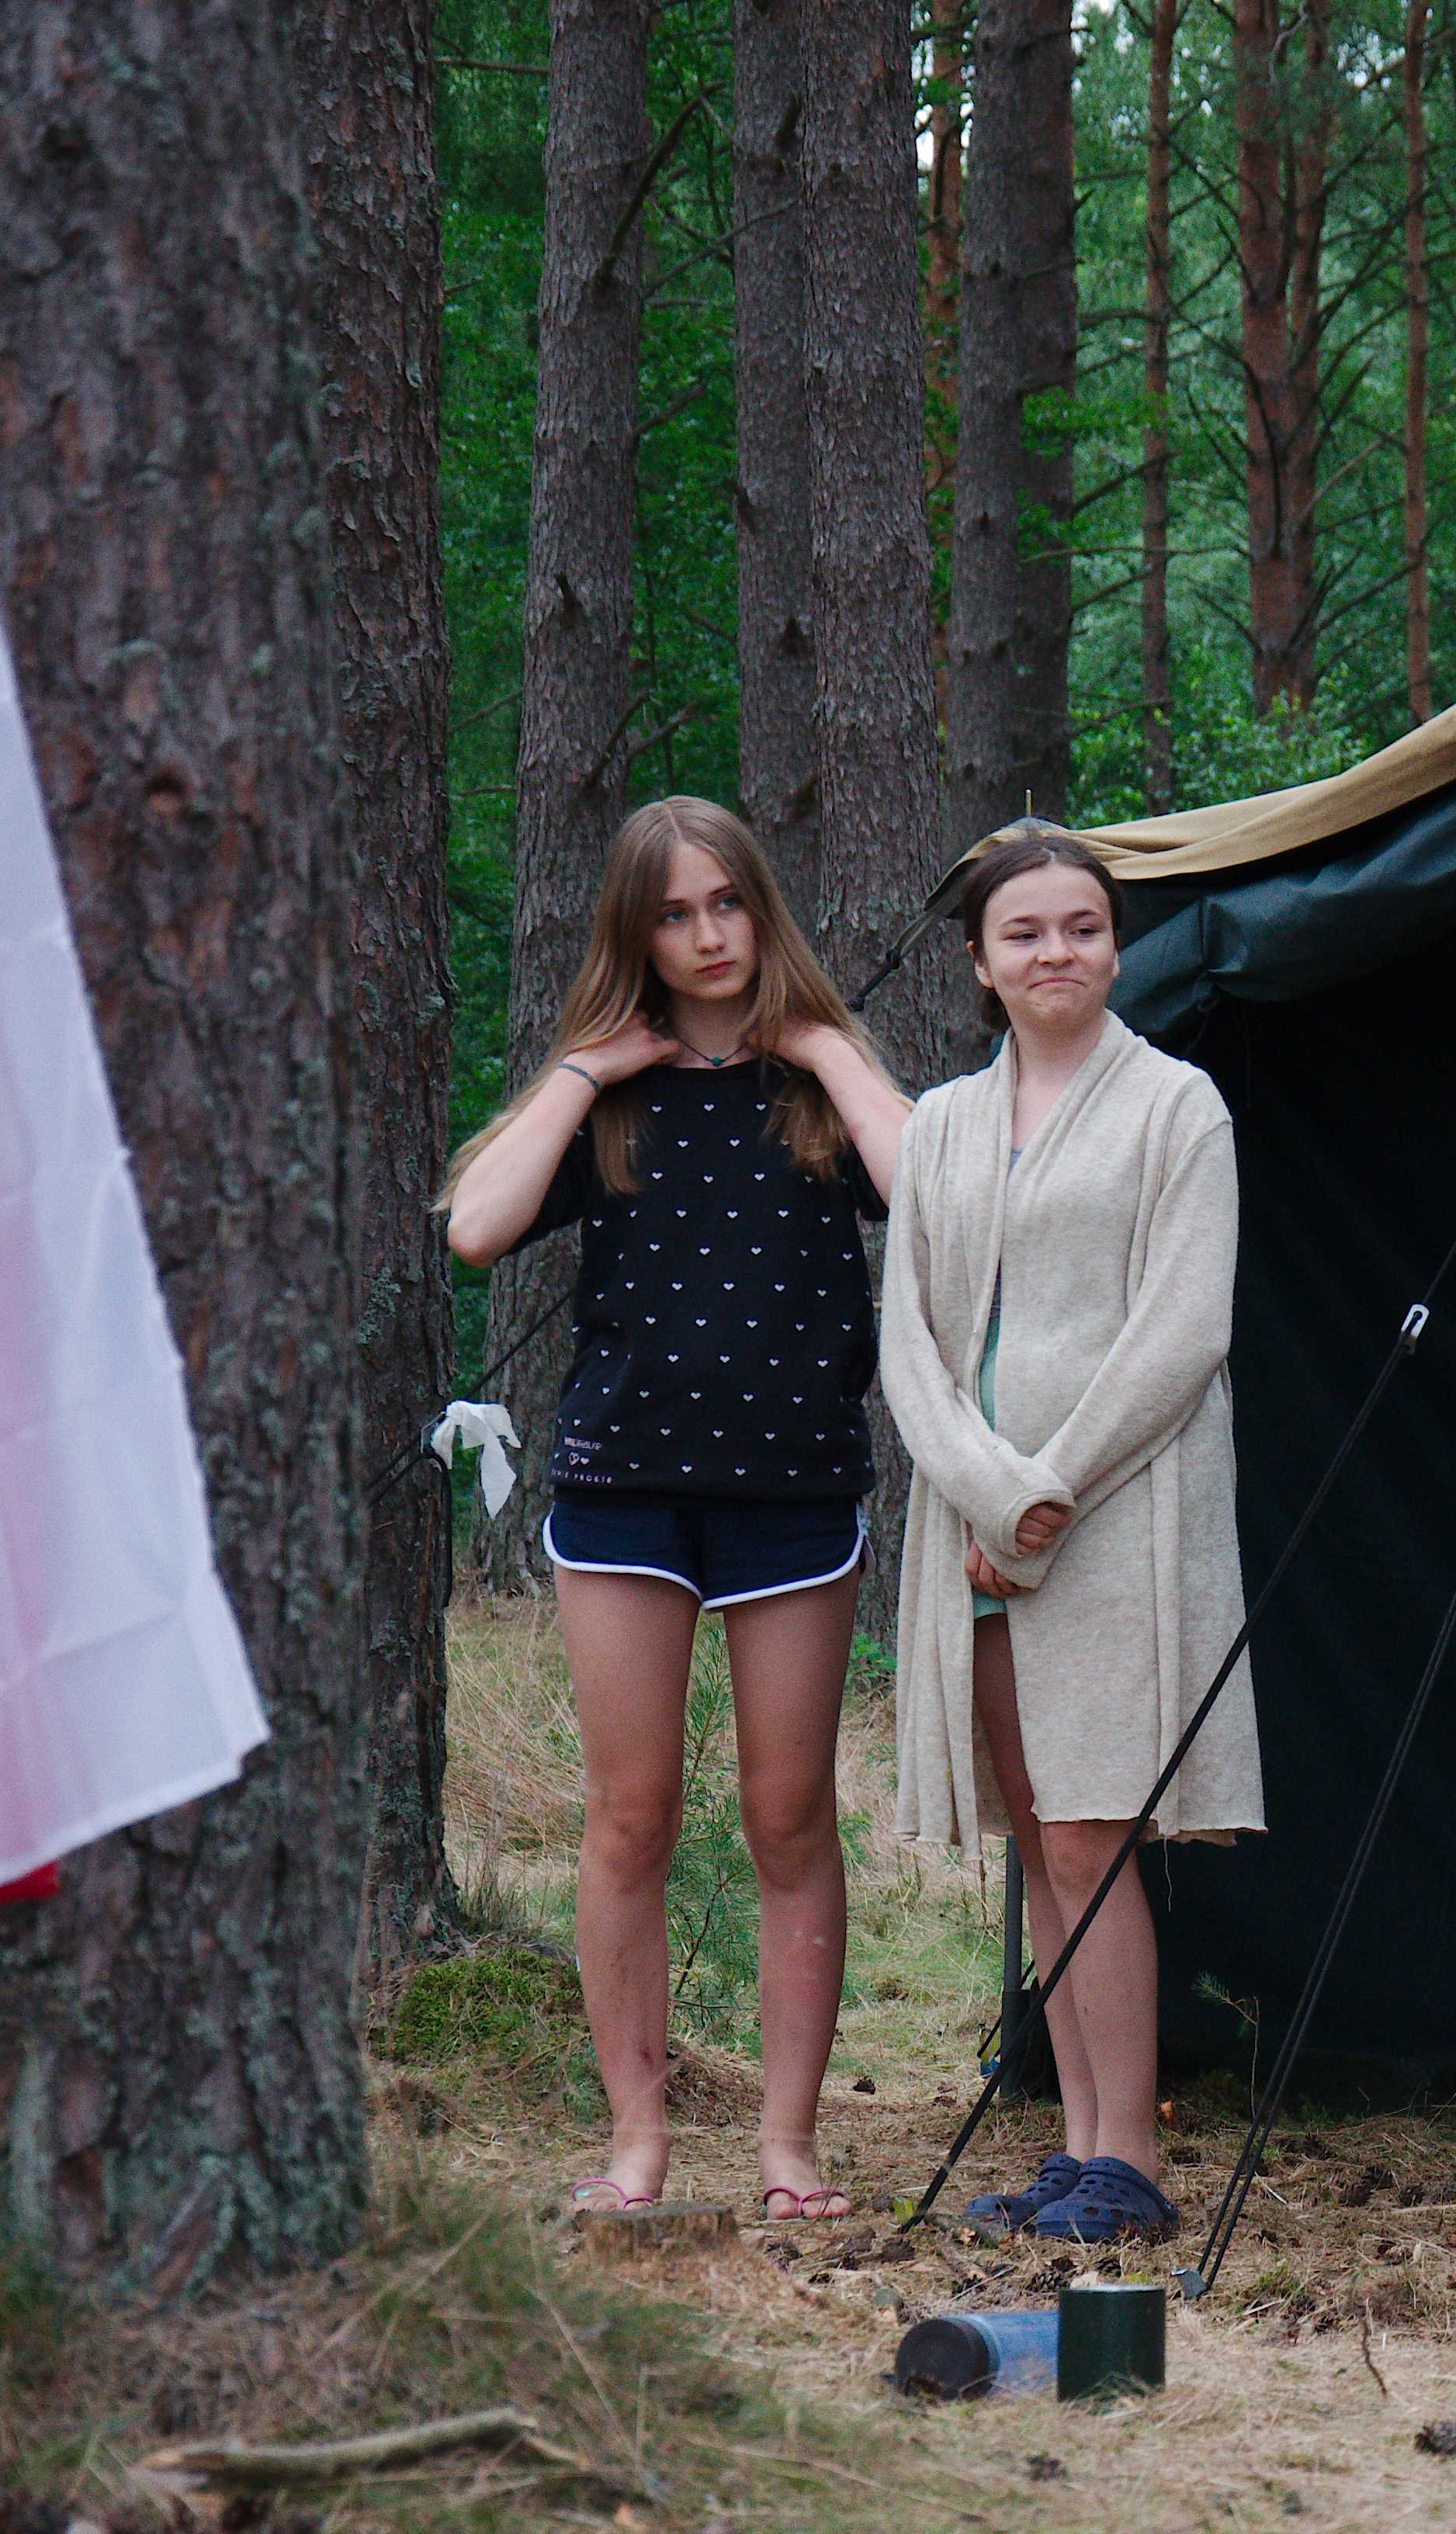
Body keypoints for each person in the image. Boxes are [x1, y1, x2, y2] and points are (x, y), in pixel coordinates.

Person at [442, 796, 910, 2221]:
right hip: (625, 1488)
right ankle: (637, 2139)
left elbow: (935, 1196)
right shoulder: (610, 1093)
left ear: (761, 907)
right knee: (628, 1819)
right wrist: (587, 1067)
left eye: (727, 904)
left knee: (789, 1820)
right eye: (673, 914)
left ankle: (788, 2146)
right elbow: (476, 1229)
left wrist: (825, 1043)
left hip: (794, 1490)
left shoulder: (819, 1080)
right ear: (634, 934)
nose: (708, 936)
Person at [884, 823, 1261, 2248]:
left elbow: (1184, 1331)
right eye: (1026, 933)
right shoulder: (940, 1123)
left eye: (1084, 927)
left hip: (1113, 1518)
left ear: (1116, 944)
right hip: (975, 1532)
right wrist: (991, 1499)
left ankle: (1132, 2165)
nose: (1059, 952)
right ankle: (1081, 2146)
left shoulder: (1177, 1108)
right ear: (981, 963)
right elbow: (912, 1345)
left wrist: (1044, 1498)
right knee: (1042, 1842)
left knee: (1097, 1835)